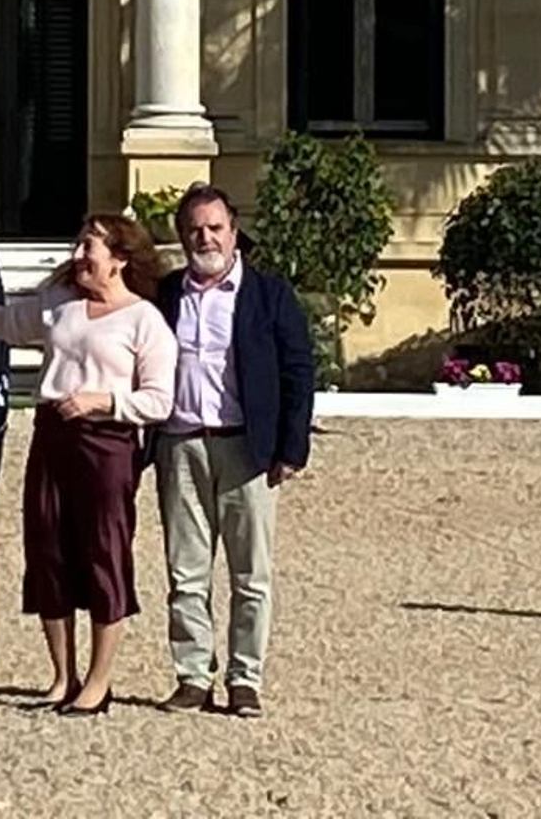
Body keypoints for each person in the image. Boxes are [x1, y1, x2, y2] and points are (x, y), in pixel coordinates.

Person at [0, 214, 176, 717]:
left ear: (119, 259)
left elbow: (160, 400)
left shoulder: (144, 320)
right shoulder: (60, 305)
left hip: (107, 446)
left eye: (91, 246)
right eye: (79, 243)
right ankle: (62, 675)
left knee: (104, 552)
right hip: (52, 437)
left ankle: (99, 682)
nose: (79, 254)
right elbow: (0, 322)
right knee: (48, 549)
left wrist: (103, 401)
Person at [151, 183, 314, 718]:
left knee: (252, 574)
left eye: (215, 227)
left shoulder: (269, 295)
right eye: (195, 229)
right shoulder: (165, 295)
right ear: (182, 236)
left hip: (248, 446)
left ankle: (246, 678)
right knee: (185, 571)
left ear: (233, 232)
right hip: (181, 445)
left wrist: (291, 447)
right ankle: (193, 675)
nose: (206, 238)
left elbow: (298, 372)